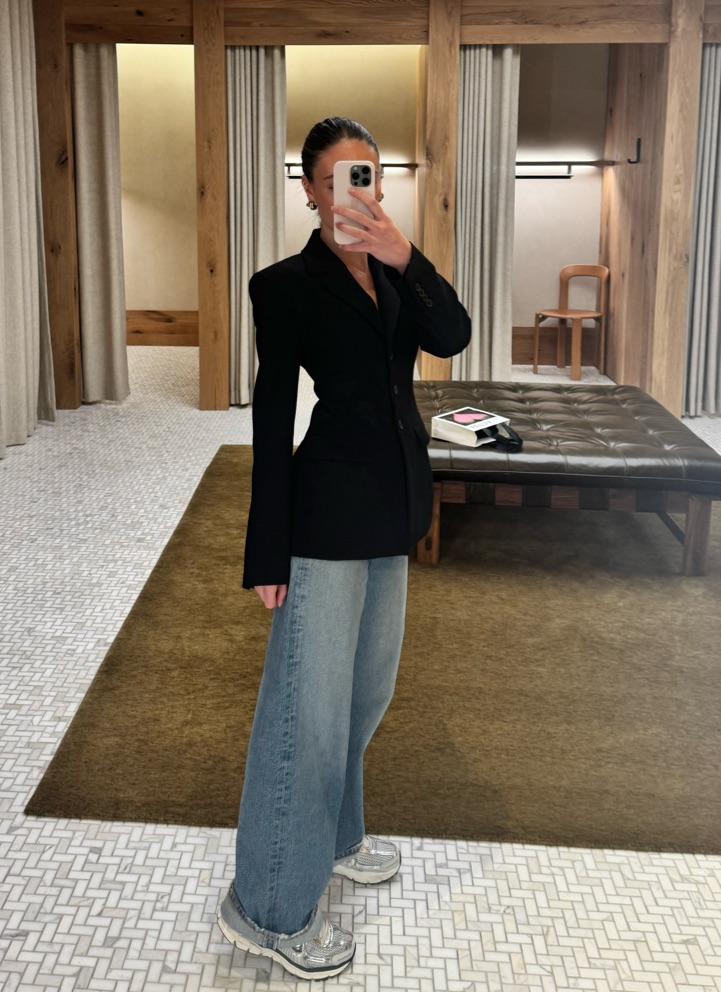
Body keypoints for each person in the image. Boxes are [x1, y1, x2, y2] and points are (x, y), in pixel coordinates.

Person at [217, 116, 471, 981]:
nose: (354, 190)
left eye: (368, 174)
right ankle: (269, 908)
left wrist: (406, 255)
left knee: (364, 694)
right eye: (336, 178)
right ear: (311, 191)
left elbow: (452, 335)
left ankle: (338, 837)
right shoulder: (283, 286)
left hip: (392, 508)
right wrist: (266, 549)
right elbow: (270, 414)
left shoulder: (396, 270)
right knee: (307, 716)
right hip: (324, 517)